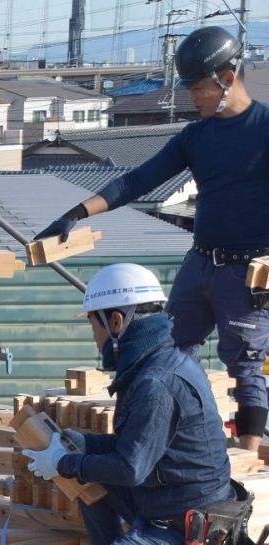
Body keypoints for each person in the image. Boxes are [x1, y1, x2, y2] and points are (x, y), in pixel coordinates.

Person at [35, 26, 269, 453]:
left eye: (198, 87)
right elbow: (139, 180)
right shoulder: (197, 136)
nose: (192, 97)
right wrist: (76, 212)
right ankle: (170, 442)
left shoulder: (264, 128)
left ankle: (249, 465)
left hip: (248, 271)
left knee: (247, 364)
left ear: (227, 77)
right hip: (199, 263)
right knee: (167, 348)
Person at [21, 262, 233, 545]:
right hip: (174, 505)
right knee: (81, 467)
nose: (94, 337)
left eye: (94, 324)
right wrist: (84, 445)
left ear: (117, 322)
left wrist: (62, 462)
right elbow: (140, 446)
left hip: (185, 531)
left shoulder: (156, 382)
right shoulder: (166, 360)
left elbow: (130, 467)